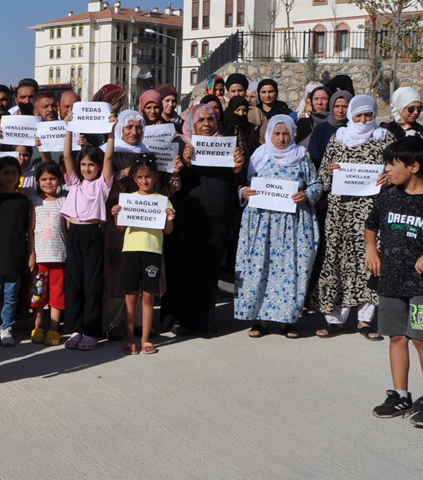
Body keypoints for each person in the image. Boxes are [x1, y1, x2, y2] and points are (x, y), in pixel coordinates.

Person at [235, 114, 321, 338]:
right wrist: (243, 192)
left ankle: (287, 321)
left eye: (285, 134)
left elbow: (316, 184)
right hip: (262, 225)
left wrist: (307, 194)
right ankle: (261, 321)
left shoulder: (302, 157)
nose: (281, 139)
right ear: (268, 134)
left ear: (293, 134)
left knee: (289, 271)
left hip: (292, 226)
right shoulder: (259, 157)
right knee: (260, 269)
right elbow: (245, 186)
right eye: (277, 133)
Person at [310, 94, 389, 339]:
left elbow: (397, 171)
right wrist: (331, 172)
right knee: (337, 262)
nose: (364, 120)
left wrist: (388, 178)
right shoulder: (339, 138)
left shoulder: (384, 139)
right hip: (340, 214)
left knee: (370, 264)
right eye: (359, 115)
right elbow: (321, 176)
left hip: (371, 214)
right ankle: (335, 319)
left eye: (368, 115)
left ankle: (365, 320)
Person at [165, 104, 246, 337]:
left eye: (211, 119)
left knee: (209, 268)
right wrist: (186, 164)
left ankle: (205, 322)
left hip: (218, 218)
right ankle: (180, 319)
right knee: (185, 266)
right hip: (189, 216)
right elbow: (174, 184)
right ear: (192, 123)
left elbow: (240, 179)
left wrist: (239, 166)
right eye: (201, 120)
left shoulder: (229, 147)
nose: (207, 124)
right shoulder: (181, 145)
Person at [365, 136, 423, 420]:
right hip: (390, 280)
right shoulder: (388, 195)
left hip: (420, 285)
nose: (387, 168)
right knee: (397, 336)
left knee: (421, 339)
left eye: (392, 163)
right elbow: (370, 225)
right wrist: (371, 249)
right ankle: (401, 395)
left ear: (414, 166)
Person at [61, 119, 116, 350]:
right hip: (74, 234)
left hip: (93, 233)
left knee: (92, 284)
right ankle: (74, 330)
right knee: (74, 283)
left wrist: (111, 131)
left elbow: (110, 158)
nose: (87, 168)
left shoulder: (102, 184)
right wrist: (69, 129)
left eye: (92, 164)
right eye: (83, 164)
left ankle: (92, 331)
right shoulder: (74, 182)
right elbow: (66, 156)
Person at [111, 154, 174, 354]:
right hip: (130, 251)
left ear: (155, 177)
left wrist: (169, 219)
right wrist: (116, 215)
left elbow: (168, 231)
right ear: (135, 179)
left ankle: (145, 339)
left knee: (148, 297)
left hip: (153, 252)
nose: (144, 181)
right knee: (130, 296)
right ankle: (130, 339)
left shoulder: (162, 201)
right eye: (140, 177)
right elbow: (121, 228)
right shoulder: (129, 201)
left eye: (148, 176)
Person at [0, 156, 33, 348]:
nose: (10, 176)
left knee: (11, 294)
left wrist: (28, 255)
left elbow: (26, 232)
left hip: (15, 255)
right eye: (6, 172)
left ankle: (6, 328)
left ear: (19, 175)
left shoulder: (23, 200)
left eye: (14, 173)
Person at [29, 161, 67, 345]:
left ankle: (54, 329)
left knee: (57, 293)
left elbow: (68, 229)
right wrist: (31, 255)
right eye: (44, 179)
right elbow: (30, 230)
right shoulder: (34, 201)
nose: (48, 182)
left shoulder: (64, 201)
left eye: (52, 178)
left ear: (59, 180)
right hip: (39, 257)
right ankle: (38, 326)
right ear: (38, 181)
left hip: (59, 256)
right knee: (38, 293)